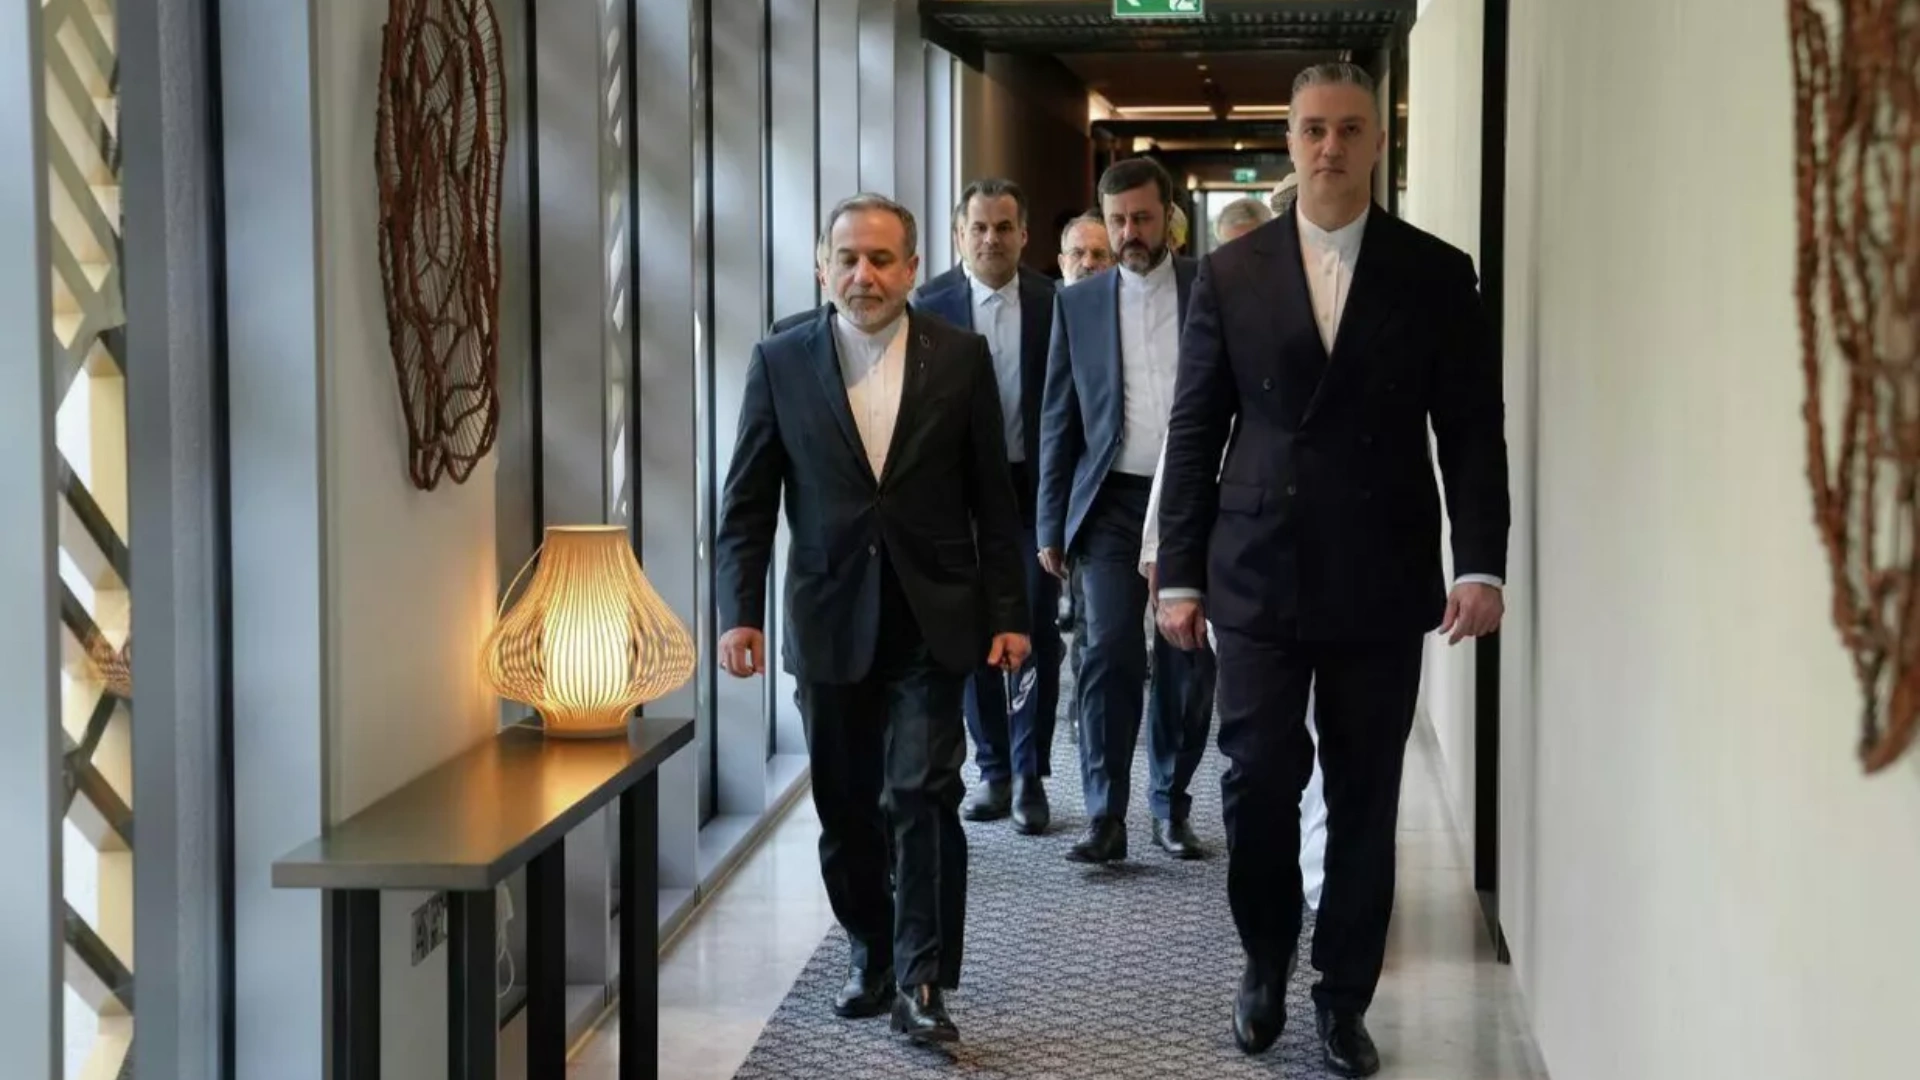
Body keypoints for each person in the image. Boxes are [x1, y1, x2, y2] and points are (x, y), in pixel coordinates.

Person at [1155, 63, 1510, 1076]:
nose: (1330, 147)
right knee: (1257, 780)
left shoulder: (1436, 272)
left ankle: (1343, 999)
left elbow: (1471, 430)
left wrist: (1481, 563)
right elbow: (1194, 429)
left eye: (1350, 129)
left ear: (1378, 143)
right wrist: (1177, 572)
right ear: (1290, 138)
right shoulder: (1231, 272)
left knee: (1365, 795)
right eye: (1313, 129)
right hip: (1256, 562)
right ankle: (1265, 956)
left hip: (1381, 566)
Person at [714, 193, 1031, 1045]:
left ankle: (923, 981)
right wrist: (739, 611)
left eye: (882, 259)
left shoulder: (959, 357)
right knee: (847, 805)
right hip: (828, 617)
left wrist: (1009, 612)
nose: (865, 275)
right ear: (823, 268)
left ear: (913, 268)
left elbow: (993, 501)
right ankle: (871, 947)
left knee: (921, 792)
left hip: (935, 615)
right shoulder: (780, 360)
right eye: (848, 258)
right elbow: (747, 501)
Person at [1037, 157, 1216, 865]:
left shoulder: (1211, 286)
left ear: (1168, 217)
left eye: (1142, 218)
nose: (1129, 233)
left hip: (1193, 500)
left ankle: (1171, 804)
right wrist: (1051, 522)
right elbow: (1059, 416)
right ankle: (1105, 814)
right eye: (1117, 221)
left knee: (1187, 655)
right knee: (1108, 650)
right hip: (1110, 499)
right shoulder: (1077, 303)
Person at [911, 178, 1062, 834]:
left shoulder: (1055, 303)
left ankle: (1031, 773)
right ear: (959, 235)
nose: (991, 239)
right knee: (970, 630)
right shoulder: (928, 306)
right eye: (979, 227)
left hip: (1033, 489)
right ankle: (994, 768)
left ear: (1024, 235)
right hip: (957, 493)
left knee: (1033, 629)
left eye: (1004, 227)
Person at [1052, 211, 1115, 745]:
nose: (1088, 263)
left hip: (1105, 493)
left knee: (1098, 619)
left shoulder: (1124, 318)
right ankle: (1083, 709)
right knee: (1086, 619)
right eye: (1079, 254)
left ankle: (1094, 707)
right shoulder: (1049, 312)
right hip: (1058, 486)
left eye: (1099, 254)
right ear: (1061, 261)